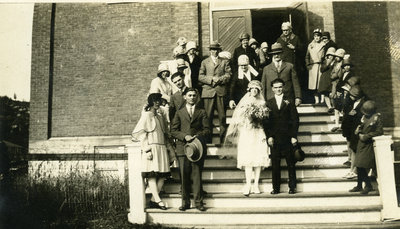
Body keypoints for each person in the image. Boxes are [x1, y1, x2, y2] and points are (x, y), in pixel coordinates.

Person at [225, 80, 270, 196]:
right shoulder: (244, 102)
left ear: (259, 90)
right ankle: (248, 184)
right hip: (247, 132)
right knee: (248, 159)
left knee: (258, 158)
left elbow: (266, 118)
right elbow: (238, 119)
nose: (254, 91)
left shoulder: (262, 103)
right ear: (249, 90)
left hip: (258, 132)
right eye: (252, 89)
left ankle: (256, 184)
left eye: (256, 89)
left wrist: (259, 118)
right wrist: (246, 121)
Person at [131, 93, 175, 210]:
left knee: (162, 175)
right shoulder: (146, 116)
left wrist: (170, 150)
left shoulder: (160, 117)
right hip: (152, 149)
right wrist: (146, 150)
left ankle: (153, 200)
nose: (157, 103)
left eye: (159, 100)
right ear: (151, 102)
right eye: (155, 100)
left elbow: (165, 135)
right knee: (151, 175)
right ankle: (158, 200)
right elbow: (141, 134)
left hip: (162, 148)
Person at [171, 88, 210, 211]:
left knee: (197, 176)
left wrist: (197, 137)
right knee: (184, 176)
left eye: (194, 95)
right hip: (183, 149)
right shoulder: (179, 112)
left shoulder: (202, 112)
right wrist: (185, 136)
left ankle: (199, 203)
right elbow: (173, 131)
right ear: (184, 97)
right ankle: (185, 203)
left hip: (197, 149)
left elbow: (207, 129)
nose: (192, 97)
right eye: (189, 95)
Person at [264, 78, 299, 194]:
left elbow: (295, 120)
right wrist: (269, 136)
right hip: (274, 138)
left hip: (287, 136)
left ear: (283, 87)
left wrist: (294, 135)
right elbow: (266, 122)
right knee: (275, 164)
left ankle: (292, 187)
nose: (278, 89)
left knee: (290, 163)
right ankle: (276, 188)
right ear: (272, 89)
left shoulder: (289, 101)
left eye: (280, 87)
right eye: (276, 87)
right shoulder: (269, 103)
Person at [199, 41, 232, 143]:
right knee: (207, 118)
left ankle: (223, 142)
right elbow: (200, 76)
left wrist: (220, 79)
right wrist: (212, 79)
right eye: (212, 49)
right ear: (210, 51)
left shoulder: (224, 61)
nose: (214, 51)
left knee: (222, 118)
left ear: (219, 50)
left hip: (220, 92)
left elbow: (229, 74)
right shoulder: (204, 62)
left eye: (216, 49)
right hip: (208, 93)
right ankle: (208, 142)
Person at [350, 100, 383, 194]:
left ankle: (368, 185)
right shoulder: (365, 117)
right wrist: (358, 130)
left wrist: (366, 136)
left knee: (361, 165)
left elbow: (379, 132)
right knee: (358, 165)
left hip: (368, 144)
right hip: (361, 144)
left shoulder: (376, 118)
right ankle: (359, 185)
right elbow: (362, 126)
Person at [341, 86, 367, 179]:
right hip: (352, 131)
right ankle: (353, 170)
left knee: (355, 151)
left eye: (351, 95)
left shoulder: (363, 104)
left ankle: (354, 171)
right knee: (353, 150)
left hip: (357, 131)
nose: (349, 96)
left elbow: (363, 118)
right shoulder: (354, 102)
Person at [305, 28, 325, 104]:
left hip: (320, 66)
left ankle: (322, 99)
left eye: (318, 36)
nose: (317, 38)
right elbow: (307, 57)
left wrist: (324, 65)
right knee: (313, 85)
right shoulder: (310, 45)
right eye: (315, 36)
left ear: (320, 37)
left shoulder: (323, 45)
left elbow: (325, 57)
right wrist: (308, 65)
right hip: (312, 67)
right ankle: (316, 100)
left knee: (321, 84)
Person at [330, 48, 346, 132]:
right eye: (336, 56)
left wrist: (334, 75)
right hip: (334, 86)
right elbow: (331, 74)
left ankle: (343, 125)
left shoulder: (343, 65)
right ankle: (336, 124)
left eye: (338, 56)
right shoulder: (335, 64)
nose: (336, 57)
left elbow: (340, 75)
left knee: (342, 106)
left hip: (340, 87)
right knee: (336, 106)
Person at [318, 47, 336, 114]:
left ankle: (334, 106)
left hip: (331, 79)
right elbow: (321, 69)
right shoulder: (325, 61)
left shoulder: (335, 62)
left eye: (332, 55)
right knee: (325, 93)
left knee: (332, 93)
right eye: (329, 55)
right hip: (325, 79)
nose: (331, 56)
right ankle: (329, 107)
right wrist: (328, 64)